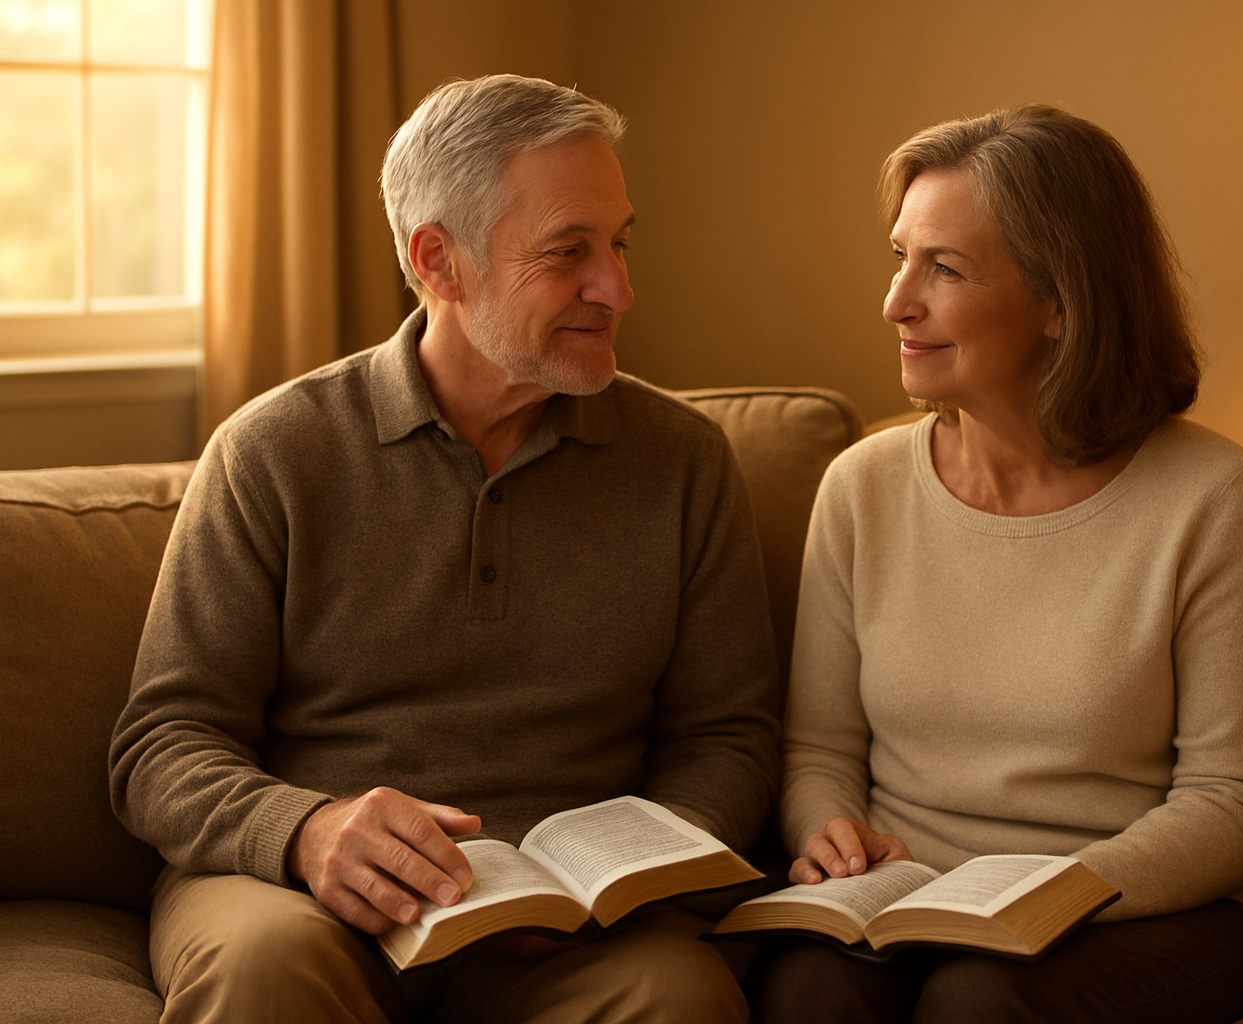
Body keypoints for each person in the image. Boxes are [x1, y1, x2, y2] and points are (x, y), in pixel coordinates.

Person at [109, 74, 779, 1024]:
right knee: (264, 969)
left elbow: (729, 736)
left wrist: (638, 873)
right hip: (303, 897)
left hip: (575, 928)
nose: (618, 288)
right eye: (568, 252)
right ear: (439, 261)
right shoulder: (275, 452)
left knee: (680, 993)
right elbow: (160, 745)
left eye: (621, 243)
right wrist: (305, 831)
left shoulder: (683, 461)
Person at [754, 106, 1243, 1023]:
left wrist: (1053, 892)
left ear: (1062, 303)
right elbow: (820, 747)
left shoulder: (1214, 495)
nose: (897, 301)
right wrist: (827, 833)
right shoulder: (862, 487)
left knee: (981, 1001)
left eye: (946, 269)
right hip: (908, 897)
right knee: (808, 987)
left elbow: (1233, 799)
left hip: (1142, 905)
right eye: (900, 258)